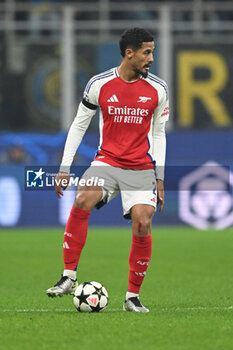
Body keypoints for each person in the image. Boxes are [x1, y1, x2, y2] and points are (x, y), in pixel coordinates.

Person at [46, 27, 169, 313]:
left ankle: (132, 298)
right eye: (147, 52)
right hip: (107, 162)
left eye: (152, 51)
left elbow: (160, 134)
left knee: (142, 222)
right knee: (82, 198)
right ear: (130, 53)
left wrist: (160, 177)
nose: (151, 58)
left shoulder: (158, 89)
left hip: (140, 167)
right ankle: (68, 277)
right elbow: (79, 124)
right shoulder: (99, 84)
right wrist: (64, 168)